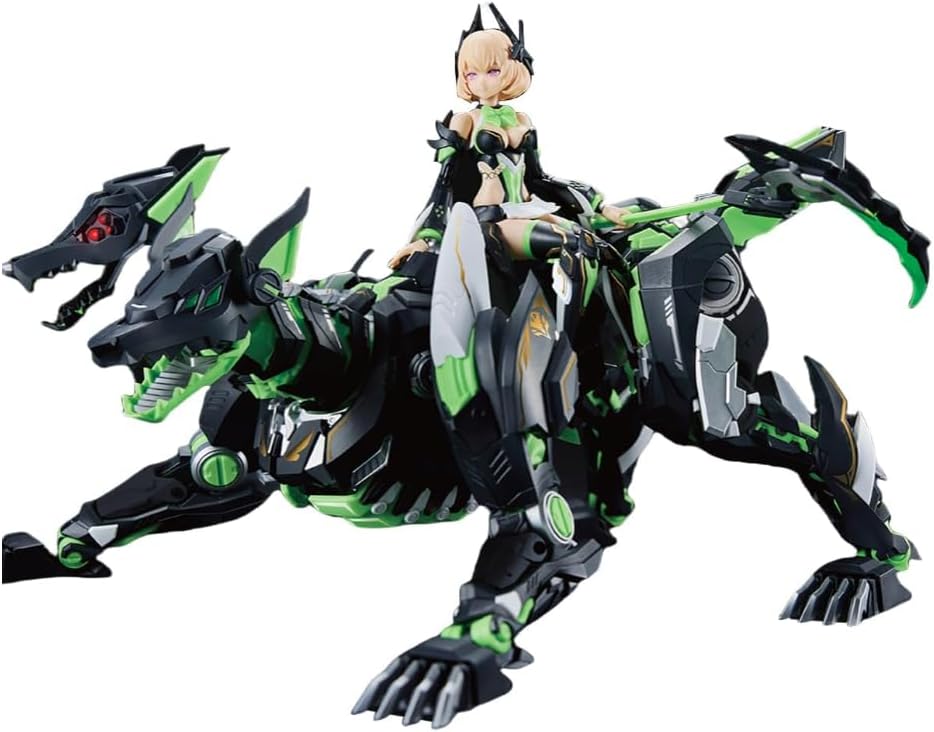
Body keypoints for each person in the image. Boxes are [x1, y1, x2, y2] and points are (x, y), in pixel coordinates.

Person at [388, 4, 629, 271]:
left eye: (492, 71)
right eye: (471, 74)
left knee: (602, 248)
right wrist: (427, 238)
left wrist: (599, 205)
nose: (481, 82)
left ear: (513, 67)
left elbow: (540, 177)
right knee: (576, 245)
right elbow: (444, 184)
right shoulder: (465, 121)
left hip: (529, 209)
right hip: (492, 219)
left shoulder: (521, 119)